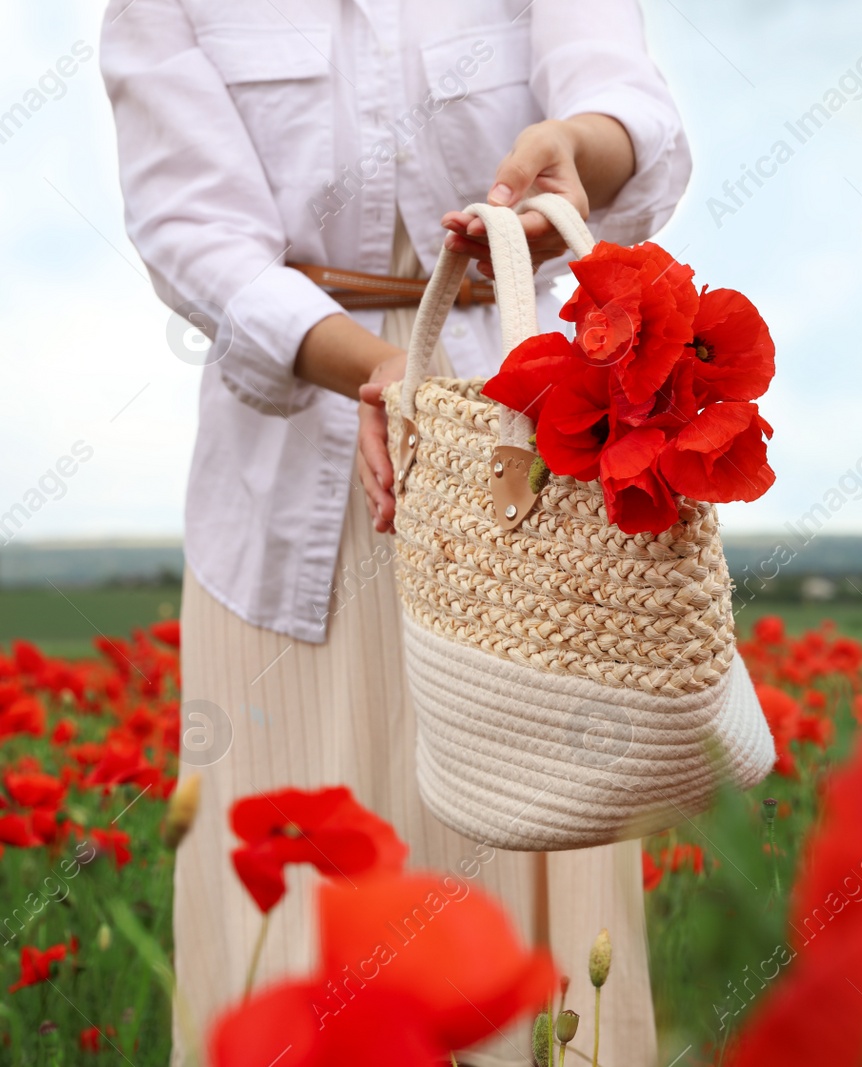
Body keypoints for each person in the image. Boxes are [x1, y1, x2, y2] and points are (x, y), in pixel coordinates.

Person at [100, 2, 690, 1063]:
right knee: (295, 912)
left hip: (518, 437)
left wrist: (575, 149)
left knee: (520, 890)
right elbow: (191, 230)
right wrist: (375, 370)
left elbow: (629, 110)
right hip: (292, 487)